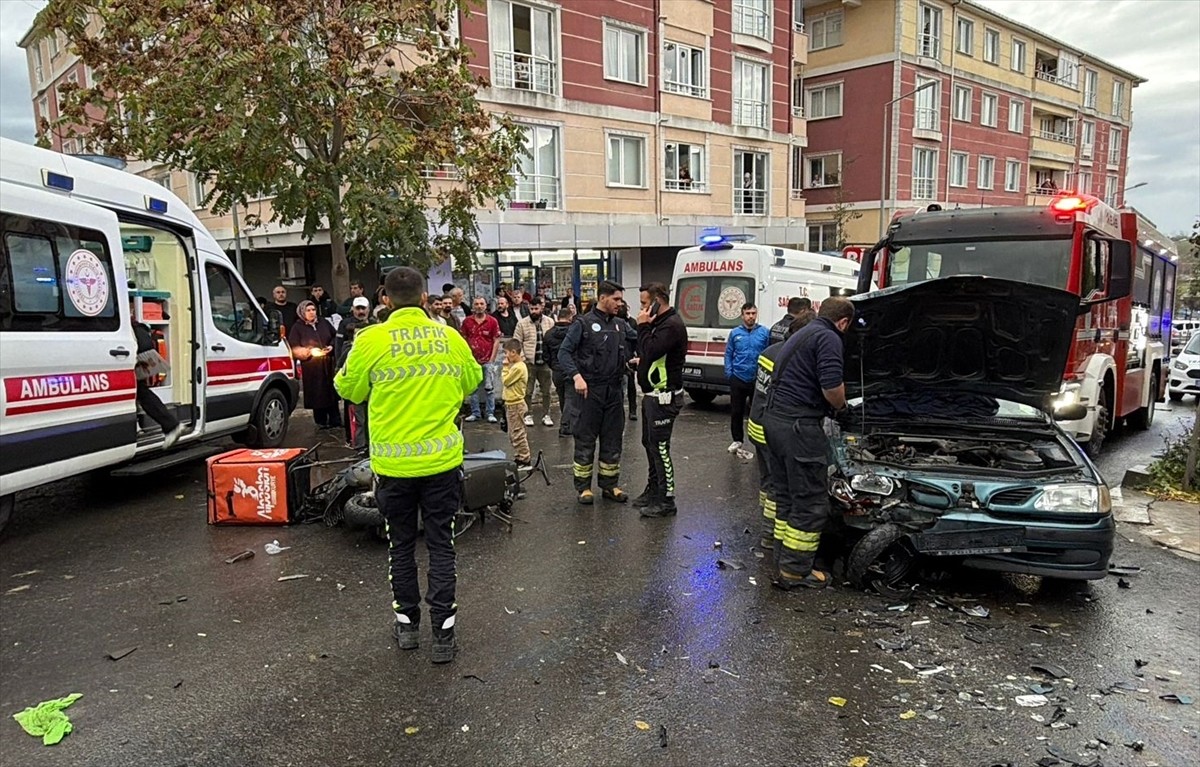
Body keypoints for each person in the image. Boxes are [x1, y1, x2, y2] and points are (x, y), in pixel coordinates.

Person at [335, 266, 481, 663]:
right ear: (423, 298)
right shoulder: (449, 336)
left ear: (384, 299)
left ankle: (407, 628)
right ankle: (444, 636)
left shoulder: (370, 339)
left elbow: (347, 388)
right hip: (441, 464)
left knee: (400, 546)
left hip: (394, 469)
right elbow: (472, 381)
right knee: (441, 545)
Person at [762, 297, 855, 590]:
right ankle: (795, 571)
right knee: (811, 500)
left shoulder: (804, 332)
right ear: (844, 322)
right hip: (798, 426)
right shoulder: (829, 338)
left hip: (775, 422)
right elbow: (831, 389)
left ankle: (783, 558)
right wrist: (843, 409)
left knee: (787, 495)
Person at [558, 280, 633, 505]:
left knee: (612, 440)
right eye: (616, 299)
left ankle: (610, 485)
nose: (620, 303)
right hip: (589, 391)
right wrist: (576, 377)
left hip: (613, 391)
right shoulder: (583, 323)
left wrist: (634, 360)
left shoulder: (620, 324)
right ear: (602, 298)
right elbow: (564, 353)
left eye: (621, 299)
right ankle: (583, 488)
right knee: (586, 440)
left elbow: (637, 341)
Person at [747, 313, 814, 553]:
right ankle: (771, 535)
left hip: (756, 423)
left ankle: (766, 529)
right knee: (778, 486)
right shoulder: (792, 357)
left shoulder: (769, 352)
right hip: (772, 429)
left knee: (767, 482)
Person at [630, 282, 688, 519]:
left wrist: (642, 326)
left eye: (644, 304)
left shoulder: (671, 325)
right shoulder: (660, 323)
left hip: (665, 397)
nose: (641, 309)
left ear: (657, 301)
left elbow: (651, 350)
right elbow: (651, 355)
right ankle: (654, 489)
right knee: (649, 444)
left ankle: (666, 500)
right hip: (652, 395)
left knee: (661, 449)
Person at [130, 300, 183, 448]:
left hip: (132, 346)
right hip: (139, 342)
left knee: (138, 390)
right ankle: (168, 425)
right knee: (138, 390)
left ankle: (169, 425)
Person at [724, 302, 770, 459]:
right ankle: (737, 440)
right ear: (742, 315)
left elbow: (770, 353)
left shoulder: (764, 332)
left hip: (757, 379)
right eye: (748, 313)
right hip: (738, 377)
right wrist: (729, 373)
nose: (751, 316)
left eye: (753, 313)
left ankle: (761, 442)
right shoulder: (735, 333)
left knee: (758, 412)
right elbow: (729, 354)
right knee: (736, 411)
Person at [289, 300, 341, 429]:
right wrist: (309, 352)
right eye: (308, 310)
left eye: (313, 310)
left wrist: (331, 347)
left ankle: (335, 420)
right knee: (317, 393)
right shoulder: (297, 327)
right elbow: (294, 347)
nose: (312, 313)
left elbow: (335, 337)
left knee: (331, 391)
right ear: (302, 312)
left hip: (328, 363)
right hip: (312, 366)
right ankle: (321, 421)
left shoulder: (324, 322)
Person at [513, 296, 556, 428]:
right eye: (531, 308)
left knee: (547, 391)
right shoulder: (522, 323)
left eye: (536, 308)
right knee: (528, 391)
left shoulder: (549, 322)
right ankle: (528, 415)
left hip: (545, 362)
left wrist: (552, 358)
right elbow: (517, 342)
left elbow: (553, 340)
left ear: (541, 308)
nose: (534, 311)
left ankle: (546, 415)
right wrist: (523, 358)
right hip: (529, 363)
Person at [335, 296, 373, 444]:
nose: (361, 311)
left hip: (370, 373)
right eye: (358, 308)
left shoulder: (375, 324)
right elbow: (339, 346)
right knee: (351, 410)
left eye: (363, 308)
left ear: (368, 309)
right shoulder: (345, 324)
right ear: (353, 309)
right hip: (352, 373)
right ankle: (352, 439)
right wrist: (339, 369)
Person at [460, 296, 502, 423]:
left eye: (481, 304)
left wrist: (492, 359)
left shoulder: (492, 321)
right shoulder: (467, 322)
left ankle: (490, 413)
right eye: (476, 304)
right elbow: (463, 339)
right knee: (473, 389)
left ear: (486, 306)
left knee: (489, 388)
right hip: (472, 361)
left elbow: (496, 340)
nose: (479, 306)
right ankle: (475, 413)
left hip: (488, 360)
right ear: (473, 306)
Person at [543, 307, 575, 437]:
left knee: (562, 397)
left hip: (557, 370)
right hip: (571, 368)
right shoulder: (573, 332)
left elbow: (546, 355)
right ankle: (566, 425)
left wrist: (553, 366)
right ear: (570, 317)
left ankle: (565, 421)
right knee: (570, 398)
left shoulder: (549, 333)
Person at [500, 339, 532, 466]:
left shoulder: (518, 367)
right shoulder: (517, 367)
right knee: (513, 432)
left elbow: (506, 381)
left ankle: (525, 458)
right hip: (511, 403)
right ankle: (519, 455)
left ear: (514, 352)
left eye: (506, 352)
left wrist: (505, 367)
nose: (505, 356)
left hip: (516, 404)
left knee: (518, 433)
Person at [617, 302, 639, 421]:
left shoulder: (632, 322)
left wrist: (636, 354)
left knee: (631, 385)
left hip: (629, 356)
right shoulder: (614, 323)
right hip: (619, 358)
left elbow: (636, 338)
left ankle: (633, 410)